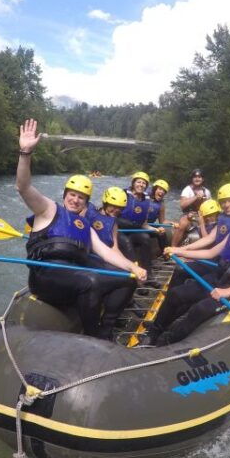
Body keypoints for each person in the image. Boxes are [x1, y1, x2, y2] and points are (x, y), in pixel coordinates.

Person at [16, 119, 146, 337]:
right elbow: (23, 186)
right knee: (91, 282)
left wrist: (133, 268)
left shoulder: (86, 225)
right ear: (65, 195)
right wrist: (25, 153)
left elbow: (106, 252)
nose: (75, 200)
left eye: (81, 198)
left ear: (87, 201)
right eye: (72, 195)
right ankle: (93, 336)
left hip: (75, 273)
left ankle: (107, 326)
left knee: (126, 280)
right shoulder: (47, 209)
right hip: (46, 275)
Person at [142, 191, 230, 346]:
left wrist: (226, 292)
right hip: (220, 276)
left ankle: (167, 341)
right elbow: (212, 251)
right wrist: (178, 250)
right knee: (176, 294)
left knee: (200, 309)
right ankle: (154, 331)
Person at [84, 187, 139, 339]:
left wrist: (130, 265)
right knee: (125, 279)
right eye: (113, 206)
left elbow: (114, 248)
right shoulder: (88, 211)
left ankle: (108, 323)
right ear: (105, 202)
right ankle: (106, 325)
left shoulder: (113, 223)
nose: (116, 210)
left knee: (130, 277)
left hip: (103, 259)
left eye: (120, 208)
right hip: (88, 258)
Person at [165, 183, 230, 288]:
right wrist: (182, 249)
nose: (227, 205)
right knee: (180, 270)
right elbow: (210, 238)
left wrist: (181, 252)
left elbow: (211, 252)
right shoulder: (224, 218)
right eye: (223, 202)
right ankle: (172, 295)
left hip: (227, 267)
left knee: (182, 271)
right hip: (217, 260)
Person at [116, 171, 163, 272]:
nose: (141, 185)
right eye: (138, 182)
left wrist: (155, 229)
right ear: (133, 183)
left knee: (145, 238)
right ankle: (133, 271)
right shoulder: (123, 194)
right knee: (126, 242)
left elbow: (144, 224)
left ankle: (148, 274)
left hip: (134, 231)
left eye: (144, 183)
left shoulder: (146, 200)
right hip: (118, 230)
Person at [170, 169, 212, 247]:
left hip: (202, 215)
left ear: (202, 179)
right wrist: (195, 197)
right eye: (195, 177)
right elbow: (182, 205)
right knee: (183, 223)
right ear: (192, 179)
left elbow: (210, 207)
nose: (197, 179)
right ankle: (173, 248)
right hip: (189, 215)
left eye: (199, 177)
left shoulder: (207, 192)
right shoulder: (187, 190)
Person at [147, 179, 178, 256]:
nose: (162, 192)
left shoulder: (161, 205)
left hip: (150, 225)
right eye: (160, 189)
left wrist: (172, 223)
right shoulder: (145, 198)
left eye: (164, 191)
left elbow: (162, 221)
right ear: (154, 189)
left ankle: (165, 254)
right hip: (140, 225)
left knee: (162, 233)